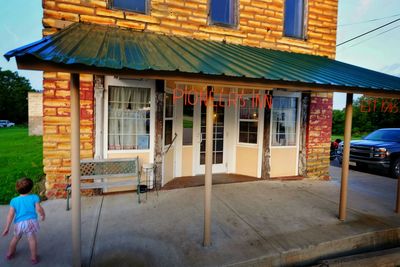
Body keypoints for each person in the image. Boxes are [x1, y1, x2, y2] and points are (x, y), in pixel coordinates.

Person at [2, 177, 45, 265]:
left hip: (19, 224)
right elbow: (38, 208)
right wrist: (42, 214)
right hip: (31, 222)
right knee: (32, 239)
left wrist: (7, 227)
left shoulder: (14, 200)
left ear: (17, 189)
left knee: (15, 238)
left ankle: (10, 253)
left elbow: (10, 215)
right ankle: (33, 257)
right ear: (31, 188)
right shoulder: (34, 197)